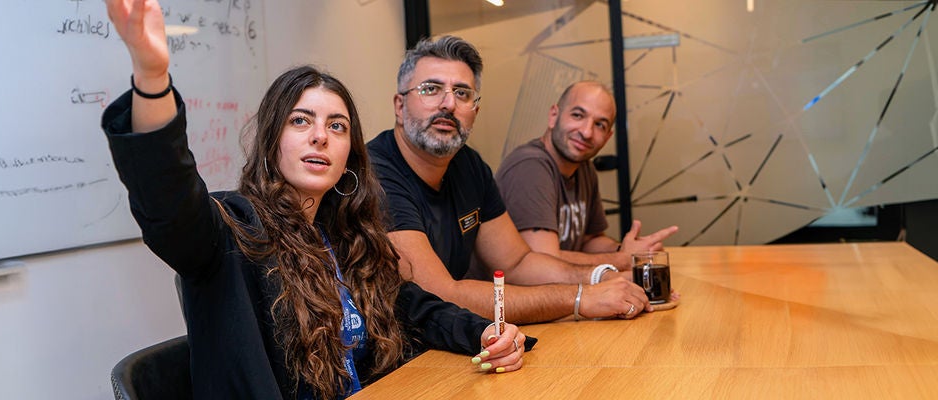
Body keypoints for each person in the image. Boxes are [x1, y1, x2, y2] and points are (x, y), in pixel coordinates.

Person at [101, 2, 527, 399]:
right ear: (272, 143)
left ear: (348, 159)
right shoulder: (231, 231)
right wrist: (152, 77)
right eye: (300, 120)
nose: (320, 135)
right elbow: (167, 199)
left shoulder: (348, 238)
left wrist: (487, 332)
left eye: (337, 126)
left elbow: (415, 308)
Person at [368, 35, 658, 325]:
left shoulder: (469, 165)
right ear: (399, 105)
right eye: (430, 89)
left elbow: (517, 263)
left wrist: (598, 276)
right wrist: (581, 297)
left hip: (456, 339)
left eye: (462, 93)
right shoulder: (376, 175)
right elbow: (441, 294)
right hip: (396, 357)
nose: (448, 104)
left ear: (475, 111)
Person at [495, 81, 678, 269]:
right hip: (504, 295)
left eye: (600, 125)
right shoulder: (530, 167)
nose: (587, 132)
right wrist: (623, 259)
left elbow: (589, 241)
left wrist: (629, 249)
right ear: (553, 116)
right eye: (577, 115)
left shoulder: (583, 168)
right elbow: (543, 260)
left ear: (607, 137)